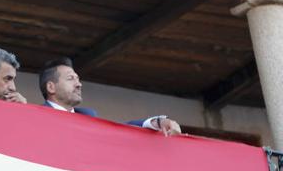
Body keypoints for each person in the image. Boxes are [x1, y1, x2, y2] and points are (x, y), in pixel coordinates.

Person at [39, 57, 181, 135]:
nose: (79, 84)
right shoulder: (36, 119)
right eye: (71, 79)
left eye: (78, 79)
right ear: (51, 87)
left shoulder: (88, 118)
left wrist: (158, 122)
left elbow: (118, 131)